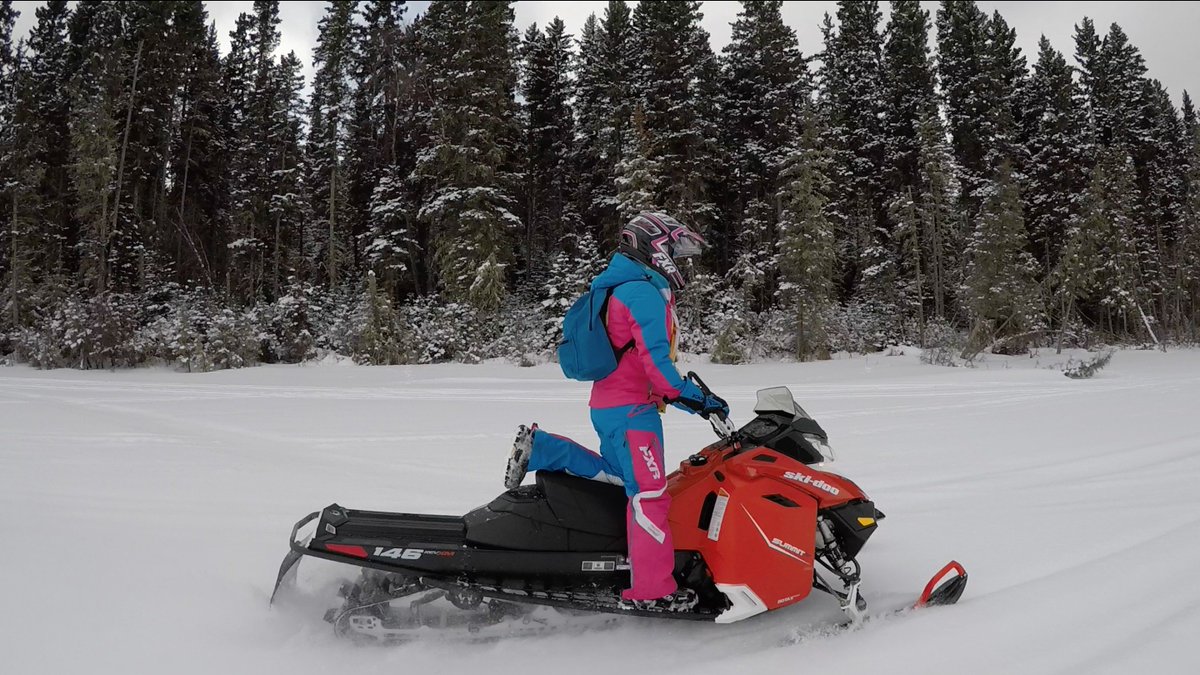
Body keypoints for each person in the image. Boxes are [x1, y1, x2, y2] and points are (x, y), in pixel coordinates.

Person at [504, 212, 728, 610]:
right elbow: (658, 369)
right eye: (676, 251)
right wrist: (699, 400)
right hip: (633, 415)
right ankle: (653, 590)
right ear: (654, 248)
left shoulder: (619, 288)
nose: (681, 261)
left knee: (621, 482)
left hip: (608, 407)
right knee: (650, 497)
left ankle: (544, 448)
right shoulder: (641, 293)